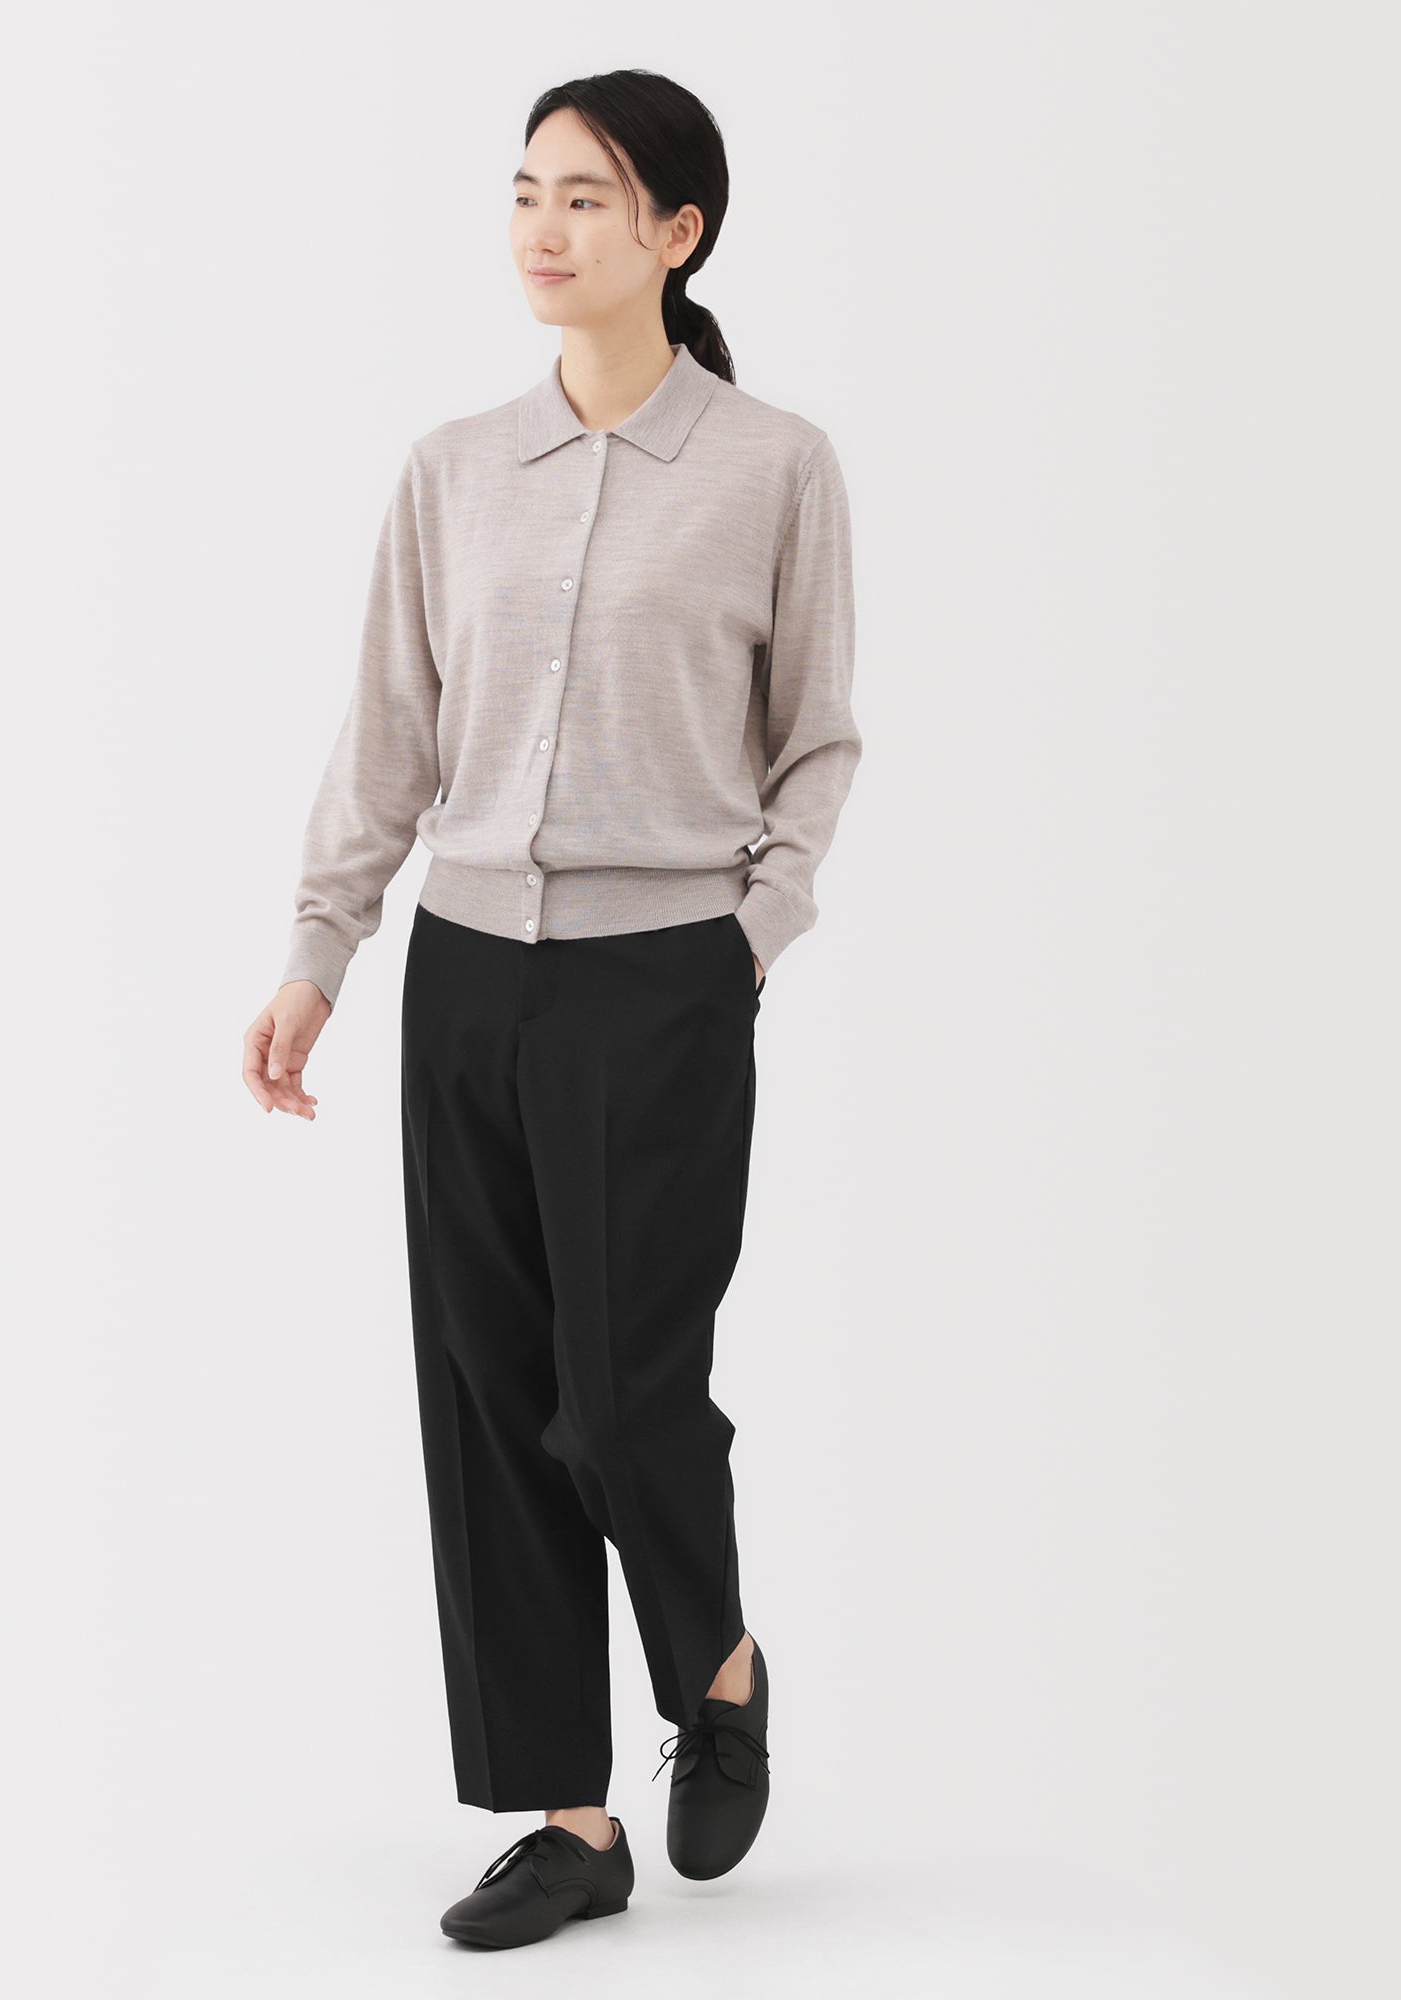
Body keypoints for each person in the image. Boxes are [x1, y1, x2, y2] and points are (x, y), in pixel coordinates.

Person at [243, 68, 863, 1950]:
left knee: (618, 1398)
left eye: (586, 198)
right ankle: (569, 1820)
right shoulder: (452, 471)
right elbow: (390, 735)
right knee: (492, 1400)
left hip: (661, 983)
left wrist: (746, 938)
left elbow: (817, 743)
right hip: (466, 978)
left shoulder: (773, 467)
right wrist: (320, 952)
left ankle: (718, 1665)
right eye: (526, 190)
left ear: (678, 233)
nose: (542, 227)